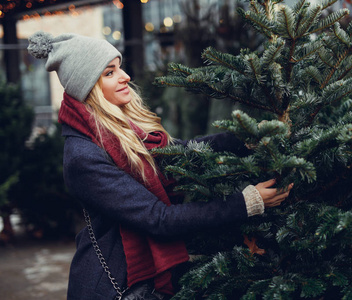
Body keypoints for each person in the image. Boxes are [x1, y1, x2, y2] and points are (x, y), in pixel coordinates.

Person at [28, 31, 293, 300]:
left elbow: (179, 152)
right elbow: (159, 219)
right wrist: (246, 203)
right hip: (118, 287)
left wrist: (243, 138)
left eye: (119, 67)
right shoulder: (83, 157)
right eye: (109, 73)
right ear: (88, 87)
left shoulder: (122, 130)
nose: (125, 77)